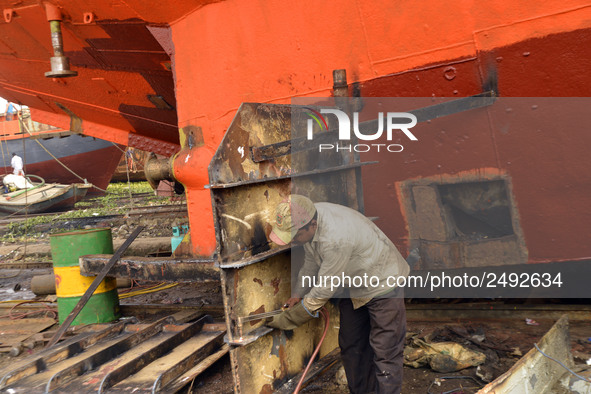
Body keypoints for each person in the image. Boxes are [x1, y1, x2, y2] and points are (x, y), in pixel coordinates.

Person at [267, 195, 410, 394]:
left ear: (313, 225)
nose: (293, 241)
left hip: (383, 281)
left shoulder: (335, 239)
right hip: (354, 283)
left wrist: (289, 319)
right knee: (351, 344)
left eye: (295, 236)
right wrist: (297, 294)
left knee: (386, 350)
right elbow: (310, 263)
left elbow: (325, 287)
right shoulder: (306, 215)